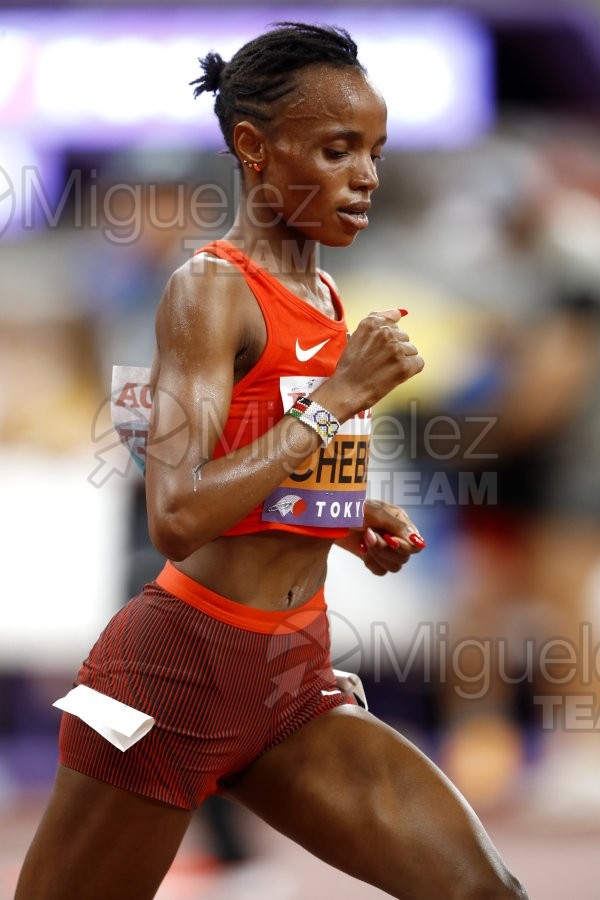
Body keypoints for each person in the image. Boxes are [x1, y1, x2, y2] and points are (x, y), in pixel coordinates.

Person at [15, 22, 527, 900]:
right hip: (177, 674)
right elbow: (177, 514)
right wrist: (338, 399)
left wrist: (351, 518)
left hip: (292, 677)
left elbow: (263, 462)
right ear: (252, 148)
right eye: (336, 150)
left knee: (485, 892)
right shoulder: (210, 291)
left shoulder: (323, 293)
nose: (365, 176)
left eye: (374, 150)